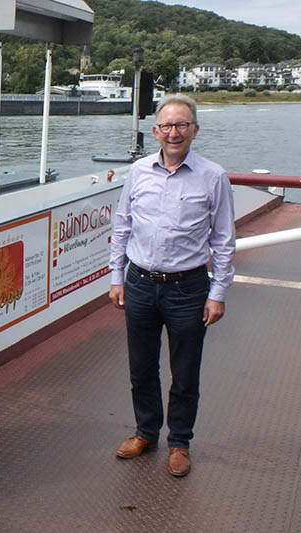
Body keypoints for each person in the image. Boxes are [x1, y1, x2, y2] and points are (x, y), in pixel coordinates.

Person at [109, 94, 235, 477]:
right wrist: (117, 276)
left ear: (195, 130)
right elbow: (122, 225)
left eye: (182, 125)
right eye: (167, 126)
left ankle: (179, 441)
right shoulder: (138, 172)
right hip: (141, 283)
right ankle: (146, 431)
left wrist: (218, 293)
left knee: (185, 371)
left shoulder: (213, 176)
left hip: (189, 287)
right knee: (141, 367)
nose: (174, 133)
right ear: (155, 131)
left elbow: (224, 240)